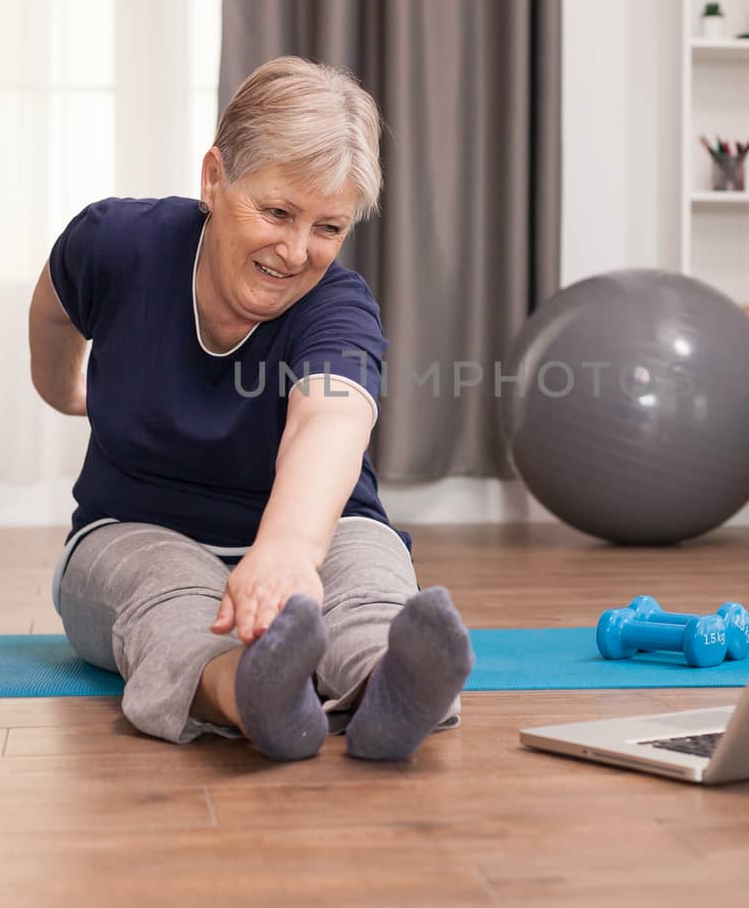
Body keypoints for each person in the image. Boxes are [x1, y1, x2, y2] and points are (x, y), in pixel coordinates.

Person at [28, 56, 473, 761]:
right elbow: (55, 313)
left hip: (314, 534)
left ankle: (389, 686)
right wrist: (63, 390)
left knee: (367, 582)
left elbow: (332, 416)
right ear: (214, 177)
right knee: (170, 599)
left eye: (328, 227)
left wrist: (290, 549)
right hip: (135, 529)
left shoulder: (338, 306)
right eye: (277, 212)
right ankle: (251, 693)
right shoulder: (117, 245)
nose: (297, 251)